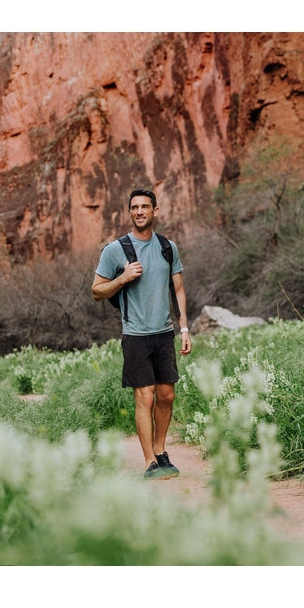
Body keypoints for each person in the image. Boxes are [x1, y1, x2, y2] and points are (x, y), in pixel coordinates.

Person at [92, 189, 192, 479]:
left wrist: (184, 328)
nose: (139, 211)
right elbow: (97, 290)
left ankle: (160, 451)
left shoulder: (167, 247)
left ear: (155, 211)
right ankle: (149, 461)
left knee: (166, 396)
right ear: (129, 212)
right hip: (135, 334)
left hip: (164, 333)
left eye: (144, 207)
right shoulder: (116, 250)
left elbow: (179, 289)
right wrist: (123, 278)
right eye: (134, 207)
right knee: (145, 398)